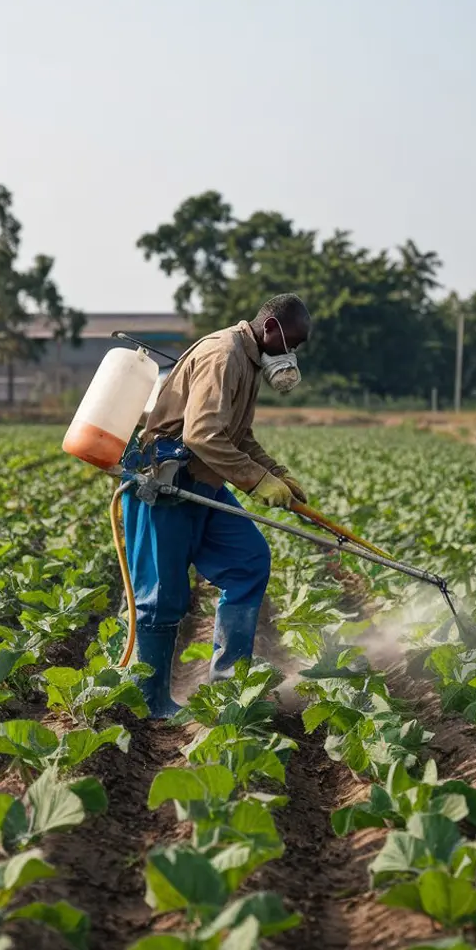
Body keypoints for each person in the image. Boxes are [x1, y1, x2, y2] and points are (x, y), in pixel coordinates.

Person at [121, 293, 311, 717]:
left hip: (204, 484)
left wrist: (276, 473)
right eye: (291, 343)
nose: (291, 354)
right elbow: (202, 434)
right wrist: (257, 480)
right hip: (168, 486)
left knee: (248, 561)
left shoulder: (249, 362)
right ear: (271, 330)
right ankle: (148, 702)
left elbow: (237, 435)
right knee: (163, 595)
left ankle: (229, 692)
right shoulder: (223, 354)